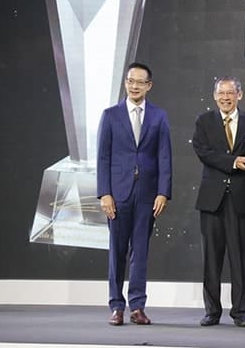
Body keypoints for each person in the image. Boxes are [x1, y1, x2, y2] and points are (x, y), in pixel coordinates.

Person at [97, 62, 172, 326]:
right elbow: (103, 157)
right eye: (131, 81)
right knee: (117, 251)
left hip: (147, 194)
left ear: (149, 85)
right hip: (118, 194)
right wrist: (104, 193)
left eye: (140, 82)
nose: (135, 86)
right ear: (125, 83)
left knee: (140, 251)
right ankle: (116, 306)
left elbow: (164, 156)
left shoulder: (159, 116)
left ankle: (137, 306)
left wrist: (163, 192)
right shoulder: (110, 115)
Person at [192, 76, 245, 328]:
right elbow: (204, 153)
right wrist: (234, 162)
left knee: (240, 258)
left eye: (230, 93)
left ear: (239, 95)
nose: (225, 98)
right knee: (211, 259)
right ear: (215, 96)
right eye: (221, 93)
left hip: (241, 198)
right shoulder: (204, 121)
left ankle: (241, 312)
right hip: (212, 200)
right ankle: (212, 311)